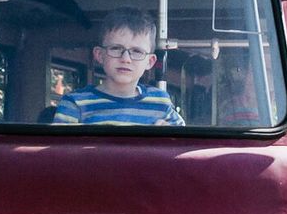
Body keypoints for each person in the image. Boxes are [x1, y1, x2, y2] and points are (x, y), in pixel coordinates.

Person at [50, 8, 187, 127]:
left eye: (137, 51)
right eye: (116, 48)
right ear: (99, 55)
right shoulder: (75, 103)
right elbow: (61, 153)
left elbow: (183, 143)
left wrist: (168, 133)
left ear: (150, 62)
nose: (126, 59)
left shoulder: (160, 102)